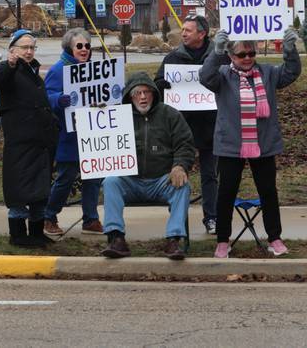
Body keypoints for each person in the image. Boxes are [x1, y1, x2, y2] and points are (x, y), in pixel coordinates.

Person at [200, 29, 301, 258]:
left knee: (268, 192)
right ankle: (223, 241)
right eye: (241, 54)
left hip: (263, 143)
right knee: (226, 193)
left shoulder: (267, 72)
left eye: (251, 53)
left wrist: (289, 49)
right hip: (230, 144)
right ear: (231, 56)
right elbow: (205, 77)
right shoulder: (223, 74)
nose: (247, 58)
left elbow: (291, 73)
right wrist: (216, 52)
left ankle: (274, 238)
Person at [101, 72, 195, 260]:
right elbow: (102, 138)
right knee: (110, 182)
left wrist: (179, 166)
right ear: (130, 95)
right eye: (137, 93)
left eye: (146, 92)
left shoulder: (170, 114)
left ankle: (173, 240)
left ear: (154, 93)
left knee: (182, 186)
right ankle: (116, 238)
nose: (142, 97)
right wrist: (97, 115)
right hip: (130, 181)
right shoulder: (117, 116)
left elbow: (185, 144)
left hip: (161, 180)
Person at [154, 15, 230, 235]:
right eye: (183, 30)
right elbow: (156, 86)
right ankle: (178, 220)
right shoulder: (172, 58)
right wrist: (162, 84)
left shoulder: (219, 57)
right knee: (178, 173)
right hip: (181, 127)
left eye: (188, 30)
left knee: (209, 175)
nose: (184, 33)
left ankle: (212, 218)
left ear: (202, 34)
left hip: (211, 124)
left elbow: (229, 83)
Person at [0, 29, 58, 247]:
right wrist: (9, 64)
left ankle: (37, 233)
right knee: (19, 194)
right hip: (20, 146)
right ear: (12, 50)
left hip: (40, 144)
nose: (28, 52)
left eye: (31, 47)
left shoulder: (33, 73)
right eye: (24, 47)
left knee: (39, 193)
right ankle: (18, 235)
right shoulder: (8, 70)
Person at [42, 28, 103, 237]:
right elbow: (46, 97)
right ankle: (49, 215)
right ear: (69, 47)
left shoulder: (94, 69)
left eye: (87, 45)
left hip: (92, 131)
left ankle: (91, 219)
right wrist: (59, 99)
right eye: (79, 46)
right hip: (68, 134)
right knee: (66, 177)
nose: (84, 49)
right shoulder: (59, 70)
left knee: (93, 177)